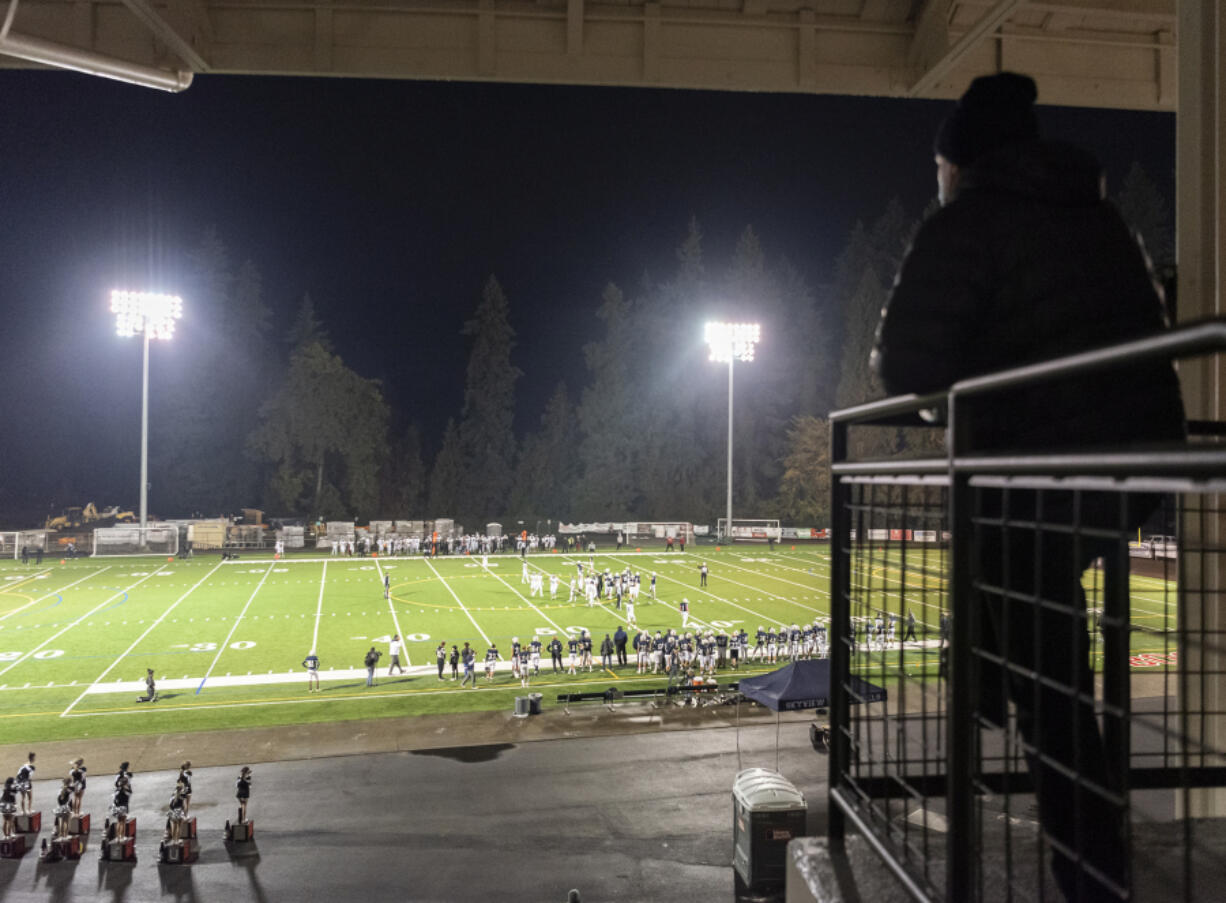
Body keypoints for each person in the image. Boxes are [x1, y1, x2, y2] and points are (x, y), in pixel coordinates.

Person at [871, 71, 1185, 903]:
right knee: (1022, 594)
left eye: (939, 169)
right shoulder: (1099, 216)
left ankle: (1086, 866)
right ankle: (990, 687)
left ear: (958, 163)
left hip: (1039, 474)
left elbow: (904, 362)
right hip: (1134, 465)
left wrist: (964, 402)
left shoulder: (968, 221)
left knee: (1048, 675)